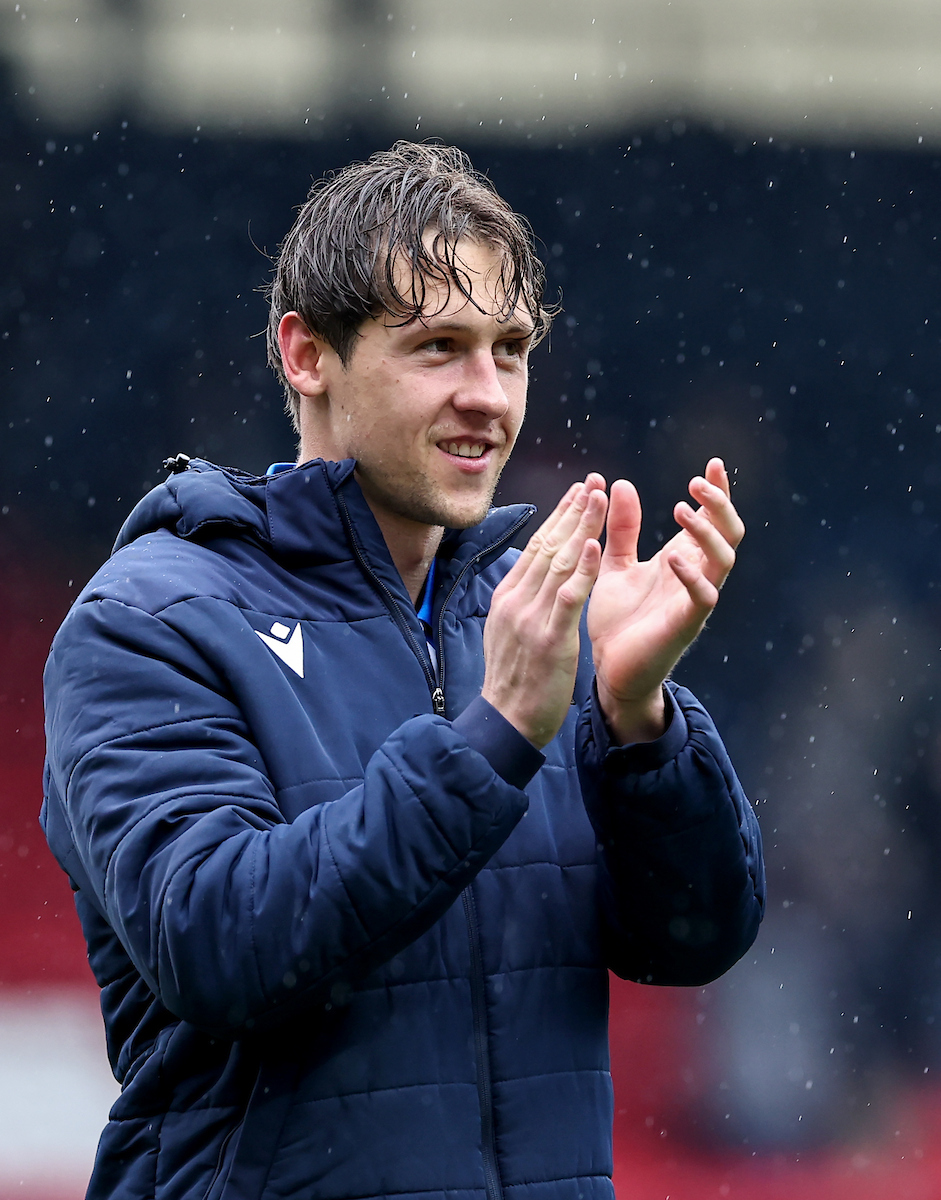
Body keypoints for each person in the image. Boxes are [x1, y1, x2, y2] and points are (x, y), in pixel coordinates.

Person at [42, 141, 764, 1200]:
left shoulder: (534, 613)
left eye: (509, 350)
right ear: (306, 355)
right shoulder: (150, 618)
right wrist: (495, 733)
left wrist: (636, 718)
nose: (488, 395)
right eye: (438, 347)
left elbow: (691, 941)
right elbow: (219, 945)